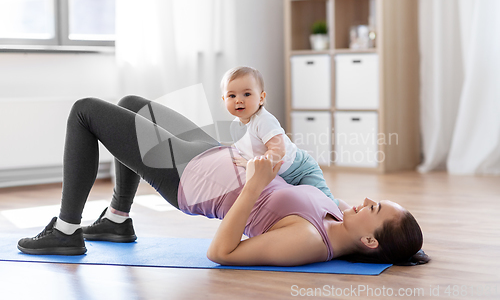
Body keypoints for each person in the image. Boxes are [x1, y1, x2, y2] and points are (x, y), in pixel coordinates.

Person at [17, 95, 428, 266]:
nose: (366, 201)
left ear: (370, 241)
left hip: (192, 180)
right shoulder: (336, 215)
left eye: (373, 209)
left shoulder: (309, 241)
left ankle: (67, 231)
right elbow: (306, 171)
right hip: (216, 155)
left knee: (85, 110)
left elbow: (222, 253)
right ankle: (118, 220)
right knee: (131, 106)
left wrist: (252, 185)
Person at [221, 66, 344, 209]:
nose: (239, 100)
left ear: (261, 98)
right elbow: (243, 148)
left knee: (325, 203)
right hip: (281, 175)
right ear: (224, 100)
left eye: (247, 94)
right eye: (232, 96)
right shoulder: (234, 126)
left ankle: (346, 213)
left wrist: (252, 164)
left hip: (300, 169)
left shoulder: (263, 120)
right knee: (305, 207)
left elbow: (278, 150)